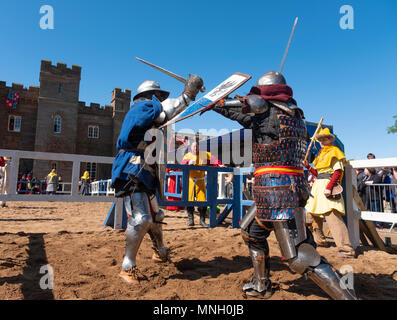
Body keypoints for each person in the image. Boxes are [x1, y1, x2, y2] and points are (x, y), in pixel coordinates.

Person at [211, 70, 357, 299]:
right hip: (278, 189)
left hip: (279, 190)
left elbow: (238, 111)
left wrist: (213, 102)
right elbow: (246, 115)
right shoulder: (294, 115)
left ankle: (348, 298)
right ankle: (261, 285)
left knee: (299, 256)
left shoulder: (266, 111)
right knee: (252, 233)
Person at [111, 75, 204, 285]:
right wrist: (188, 95)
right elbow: (169, 110)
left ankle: (159, 251)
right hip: (132, 167)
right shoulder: (141, 109)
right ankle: (127, 267)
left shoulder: (150, 117)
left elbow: (157, 133)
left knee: (156, 214)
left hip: (146, 167)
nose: (159, 100)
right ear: (148, 97)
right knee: (142, 218)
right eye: (157, 96)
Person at [304, 128, 355, 257]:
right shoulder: (320, 154)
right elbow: (318, 173)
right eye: (320, 138)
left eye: (324, 138)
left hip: (327, 186)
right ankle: (319, 241)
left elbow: (338, 171)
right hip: (317, 186)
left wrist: (329, 187)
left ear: (329, 139)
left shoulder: (335, 151)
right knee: (311, 215)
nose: (321, 140)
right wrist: (309, 167)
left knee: (333, 217)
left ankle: (346, 249)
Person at [181, 141, 223, 227]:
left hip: (200, 180)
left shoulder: (204, 154)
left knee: (202, 200)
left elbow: (214, 159)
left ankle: (202, 221)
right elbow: (182, 163)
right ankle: (191, 220)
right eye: (193, 146)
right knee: (190, 200)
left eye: (196, 146)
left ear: (198, 147)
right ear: (191, 148)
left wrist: (220, 164)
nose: (195, 148)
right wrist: (188, 163)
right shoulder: (187, 155)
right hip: (191, 181)